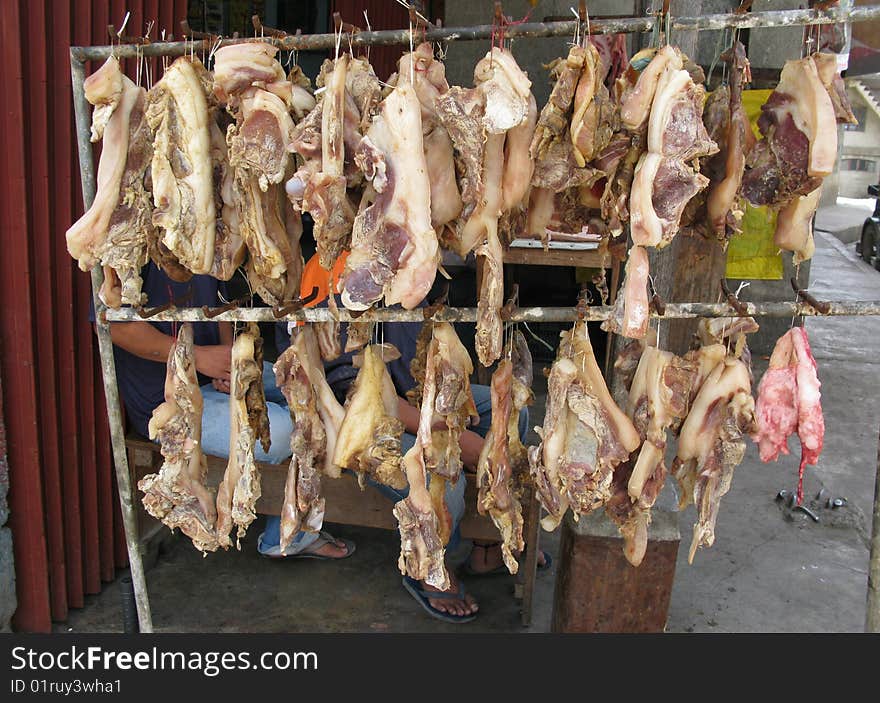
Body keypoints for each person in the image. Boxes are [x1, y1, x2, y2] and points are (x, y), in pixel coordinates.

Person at [265, 252, 547, 623]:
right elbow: (352, 395)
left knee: (510, 411)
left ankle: (485, 546)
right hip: (358, 420)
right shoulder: (329, 270)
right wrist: (453, 437)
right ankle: (427, 568)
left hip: (412, 397)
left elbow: (421, 354)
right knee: (444, 484)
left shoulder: (409, 258)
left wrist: (448, 413)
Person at [105, 262, 354, 560]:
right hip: (166, 403)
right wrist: (197, 358)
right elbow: (115, 326)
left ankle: (288, 530)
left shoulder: (205, 237)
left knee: (314, 392)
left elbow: (219, 307)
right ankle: (289, 530)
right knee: (283, 431)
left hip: (213, 375)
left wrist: (227, 363)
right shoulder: (131, 250)